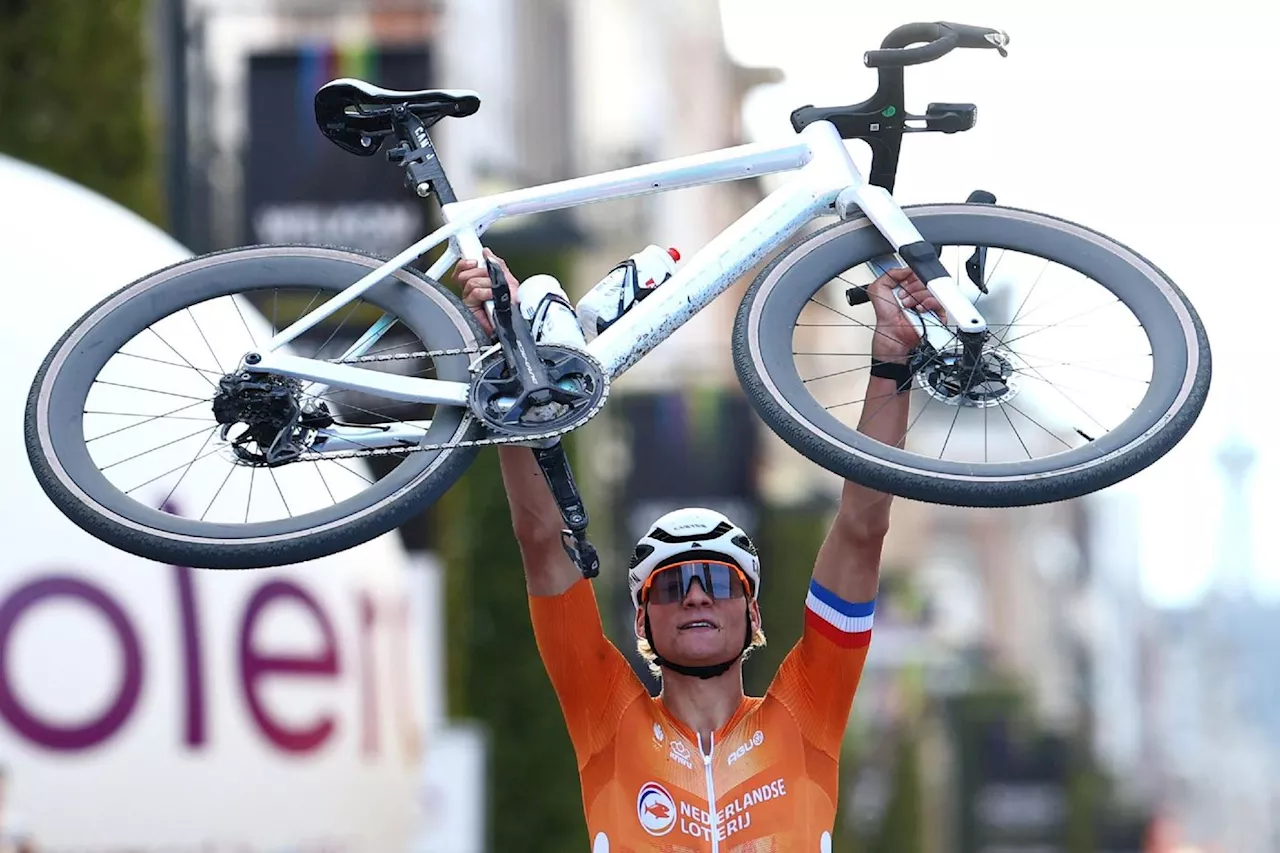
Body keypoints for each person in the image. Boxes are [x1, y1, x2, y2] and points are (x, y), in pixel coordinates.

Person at [454, 249, 941, 851]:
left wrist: (893, 358)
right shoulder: (605, 713)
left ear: (753, 611)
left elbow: (863, 529)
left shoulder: (807, 711)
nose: (692, 598)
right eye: (669, 585)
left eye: (714, 581)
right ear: (641, 619)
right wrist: (511, 355)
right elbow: (540, 542)